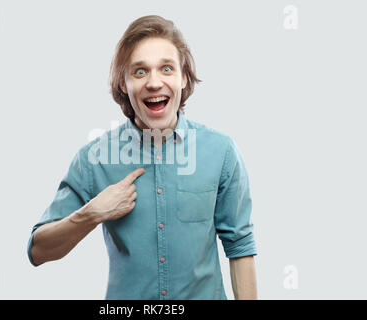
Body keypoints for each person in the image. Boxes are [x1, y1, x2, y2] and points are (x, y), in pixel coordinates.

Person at [27, 15, 258, 300]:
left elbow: (240, 247)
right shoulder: (94, 159)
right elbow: (38, 250)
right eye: (140, 72)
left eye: (166, 69)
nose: (154, 82)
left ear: (183, 78)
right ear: (123, 83)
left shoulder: (221, 152)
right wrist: (91, 214)